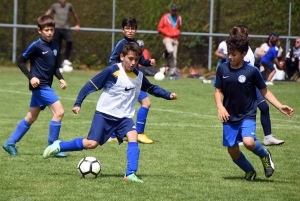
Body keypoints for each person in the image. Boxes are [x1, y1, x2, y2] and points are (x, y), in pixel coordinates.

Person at [42, 42, 178, 183]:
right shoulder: (112, 71)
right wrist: (78, 103)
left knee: (133, 135)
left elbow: (151, 88)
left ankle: (130, 174)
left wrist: (167, 95)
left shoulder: (139, 76)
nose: (133, 63)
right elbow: (91, 85)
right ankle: (59, 145)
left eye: (136, 60)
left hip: (124, 117)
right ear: (122, 57)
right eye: (130, 59)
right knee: (91, 144)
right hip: (104, 114)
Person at [214, 34, 293, 181]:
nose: (230, 57)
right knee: (232, 149)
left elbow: (265, 91)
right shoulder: (222, 69)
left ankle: (264, 155)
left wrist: (279, 106)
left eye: (233, 54)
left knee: (248, 142)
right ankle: (249, 171)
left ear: (244, 54)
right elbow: (218, 91)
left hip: (247, 113)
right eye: (228, 53)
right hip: (229, 115)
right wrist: (220, 106)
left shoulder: (252, 71)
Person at [2, 15, 68, 157]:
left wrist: (61, 79)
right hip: (40, 87)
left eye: (51, 29)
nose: (49, 32)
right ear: (39, 30)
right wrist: (31, 77)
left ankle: (10, 143)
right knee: (59, 112)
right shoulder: (36, 45)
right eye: (46, 30)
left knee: (31, 117)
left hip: (46, 85)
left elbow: (55, 66)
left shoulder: (55, 45)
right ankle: (52, 147)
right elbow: (21, 61)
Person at [230, 25, 284, 146]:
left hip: (252, 84)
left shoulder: (247, 49)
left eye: (246, 36)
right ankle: (241, 138)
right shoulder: (235, 52)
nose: (246, 38)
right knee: (243, 111)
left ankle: (268, 137)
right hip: (242, 86)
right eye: (243, 36)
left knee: (264, 107)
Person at [107, 18, 155, 144]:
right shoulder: (121, 43)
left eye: (132, 28)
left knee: (144, 103)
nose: (130, 31)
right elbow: (112, 59)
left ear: (136, 30)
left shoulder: (136, 44)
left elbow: (142, 61)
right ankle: (131, 133)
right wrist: (117, 73)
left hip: (135, 80)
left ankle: (132, 133)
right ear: (123, 30)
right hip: (124, 80)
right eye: (127, 28)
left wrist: (149, 62)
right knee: (126, 105)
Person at [45, 0, 80, 72]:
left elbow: (74, 14)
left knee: (69, 41)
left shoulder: (69, 6)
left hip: (66, 29)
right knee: (57, 47)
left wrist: (77, 24)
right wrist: (45, 23)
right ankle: (59, 66)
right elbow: (47, 14)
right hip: (57, 29)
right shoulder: (54, 6)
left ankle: (66, 59)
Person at [157, 4, 182, 78]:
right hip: (167, 38)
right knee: (170, 50)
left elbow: (178, 27)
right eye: (172, 10)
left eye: (175, 10)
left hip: (175, 39)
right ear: (170, 10)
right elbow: (159, 28)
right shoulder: (165, 17)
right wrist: (167, 32)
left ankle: (172, 72)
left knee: (174, 56)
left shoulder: (178, 18)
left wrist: (177, 32)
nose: (173, 11)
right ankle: (166, 53)